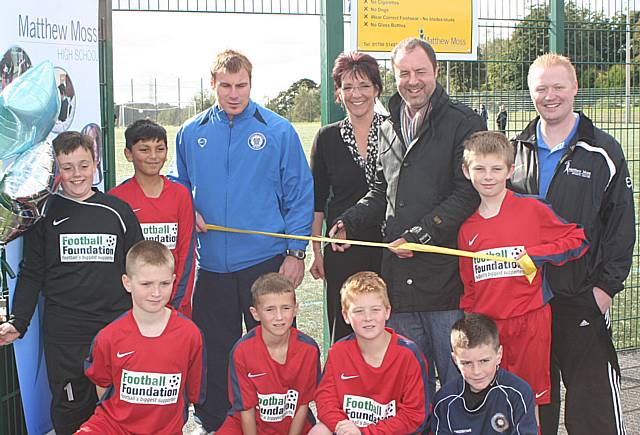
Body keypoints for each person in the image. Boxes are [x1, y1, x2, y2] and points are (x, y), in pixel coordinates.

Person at [329, 37, 485, 399]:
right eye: (404, 73)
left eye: (420, 72)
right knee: (409, 388)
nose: (413, 80)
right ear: (394, 76)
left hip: (445, 284)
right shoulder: (387, 127)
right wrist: (349, 221)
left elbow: (467, 192)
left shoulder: (464, 122)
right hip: (398, 284)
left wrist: (423, 234)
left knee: (456, 384)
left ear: (436, 72)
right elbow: (379, 191)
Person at [170, 49, 314, 433]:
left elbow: (300, 193)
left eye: (242, 85)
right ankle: (213, 420)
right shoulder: (191, 132)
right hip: (211, 263)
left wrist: (295, 252)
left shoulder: (278, 131)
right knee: (214, 348)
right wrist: (189, 208)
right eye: (226, 86)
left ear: (251, 83)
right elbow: (179, 187)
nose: (234, 94)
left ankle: (281, 419)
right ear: (212, 84)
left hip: (264, 262)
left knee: (272, 346)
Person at [510, 53, 635, 435]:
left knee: (591, 404)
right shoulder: (515, 150)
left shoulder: (603, 151)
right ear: (530, 93)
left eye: (558, 87)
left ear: (575, 88)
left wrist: (604, 290)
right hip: (528, 300)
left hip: (582, 295)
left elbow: (620, 228)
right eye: (541, 88)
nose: (550, 96)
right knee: (534, 403)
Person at [0, 131, 143, 434]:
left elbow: (140, 268)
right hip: (66, 332)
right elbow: (32, 272)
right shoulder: (45, 214)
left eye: (83, 165)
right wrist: (19, 321)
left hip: (114, 325)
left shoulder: (118, 212)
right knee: (70, 407)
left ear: (95, 164)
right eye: (67, 168)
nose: (77, 175)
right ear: (56, 171)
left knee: (120, 405)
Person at [458, 131, 589, 415]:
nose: (488, 176)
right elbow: (470, 286)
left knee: (528, 401)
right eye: (479, 169)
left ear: (510, 170)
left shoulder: (532, 209)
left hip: (530, 322)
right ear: (467, 172)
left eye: (496, 168)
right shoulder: (467, 229)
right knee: (492, 401)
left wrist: (538, 256)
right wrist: (470, 324)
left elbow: (577, 239)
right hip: (489, 329)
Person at [76, 240, 205, 434]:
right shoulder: (109, 337)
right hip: (112, 427)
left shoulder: (190, 335)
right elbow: (102, 387)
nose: (156, 292)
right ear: (127, 283)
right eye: (146, 284)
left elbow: (192, 393)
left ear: (174, 280)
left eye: (164, 284)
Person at [309, 51, 383, 343]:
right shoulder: (326, 138)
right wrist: (317, 250)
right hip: (342, 249)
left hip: (387, 246)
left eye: (364, 85)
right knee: (345, 327)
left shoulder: (393, 131)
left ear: (376, 89)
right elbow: (317, 200)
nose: (356, 94)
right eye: (348, 87)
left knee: (384, 326)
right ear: (338, 93)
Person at [310, 271, 429, 435]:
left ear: (387, 312)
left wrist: (365, 432)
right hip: (351, 430)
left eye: (375, 310)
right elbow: (325, 400)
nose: (368, 318)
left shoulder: (408, 354)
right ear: (346, 315)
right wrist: (341, 425)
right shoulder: (338, 352)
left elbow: (415, 415)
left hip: (388, 432)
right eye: (358, 311)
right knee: (319, 431)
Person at [110, 119, 196, 317]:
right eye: (144, 149)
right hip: (134, 304)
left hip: (174, 302)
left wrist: (175, 300)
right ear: (128, 154)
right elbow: (117, 260)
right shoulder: (117, 198)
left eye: (160, 149)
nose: (153, 156)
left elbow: (187, 253)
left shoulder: (180, 195)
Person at [216, 273, 320, 434]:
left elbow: (303, 405)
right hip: (249, 425)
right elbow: (246, 410)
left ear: (295, 309)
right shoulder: (242, 351)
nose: (279, 317)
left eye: (285, 308)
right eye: (270, 310)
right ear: (255, 313)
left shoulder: (308, 349)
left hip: (292, 424)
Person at [431, 313, 538, 435]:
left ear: (499, 355)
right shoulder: (444, 400)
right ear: (455, 360)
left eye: (484, 361)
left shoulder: (519, 393)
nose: (477, 371)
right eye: (467, 363)